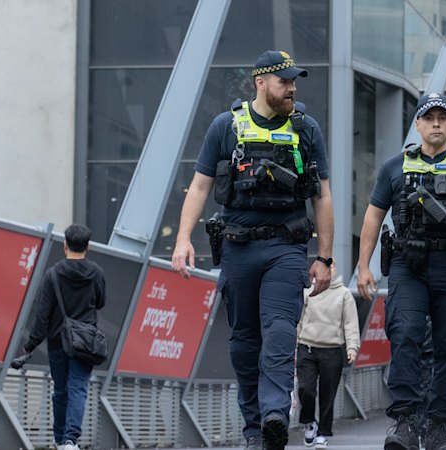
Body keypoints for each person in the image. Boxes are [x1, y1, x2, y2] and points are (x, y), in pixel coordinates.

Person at [171, 50, 334, 450]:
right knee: (245, 342)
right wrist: (182, 239)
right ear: (260, 82)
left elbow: (323, 197)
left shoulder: (306, 129)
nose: (292, 88)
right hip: (238, 248)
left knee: (279, 330)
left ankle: (276, 413)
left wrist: (325, 257)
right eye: (285, 81)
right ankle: (254, 428)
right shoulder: (225, 126)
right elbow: (201, 186)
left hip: (286, 247)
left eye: (295, 81)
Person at [357, 92, 446, 450]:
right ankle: (405, 422)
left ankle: (437, 428)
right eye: (428, 117)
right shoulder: (394, 166)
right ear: (417, 125)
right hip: (409, 266)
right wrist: (363, 266)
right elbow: (373, 216)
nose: (436, 123)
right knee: (405, 333)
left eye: (442, 117)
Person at [22, 225, 106, 450]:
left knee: (60, 390)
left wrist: (31, 345)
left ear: (64, 245)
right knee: (78, 388)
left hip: (58, 341)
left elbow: (42, 314)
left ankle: (60, 440)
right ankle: (71, 440)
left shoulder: (52, 274)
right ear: (87, 247)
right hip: (85, 342)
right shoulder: (96, 272)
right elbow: (100, 301)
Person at [296, 260, 360, 449]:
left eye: (330, 267)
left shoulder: (344, 294)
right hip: (306, 346)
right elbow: (298, 319)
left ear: (334, 270)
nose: (327, 270)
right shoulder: (308, 291)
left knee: (328, 395)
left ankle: (323, 432)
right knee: (305, 389)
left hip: (332, 349)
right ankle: (309, 422)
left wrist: (352, 348)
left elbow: (350, 323)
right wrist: (294, 344)